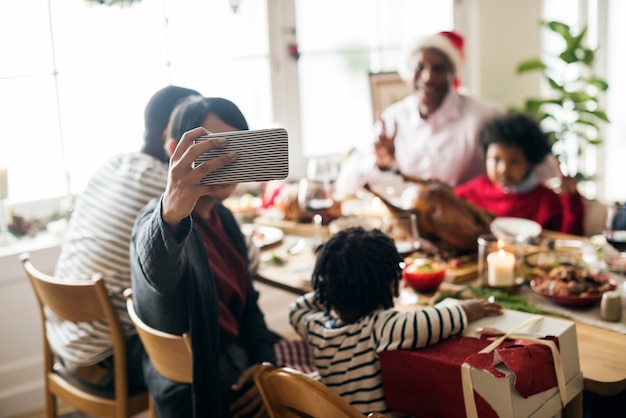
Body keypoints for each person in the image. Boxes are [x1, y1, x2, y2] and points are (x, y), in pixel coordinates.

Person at [130, 96, 278, 418]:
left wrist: (264, 367)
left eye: (237, 148)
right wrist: (171, 211)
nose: (226, 162)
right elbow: (156, 271)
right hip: (200, 390)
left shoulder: (224, 218)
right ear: (175, 152)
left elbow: (248, 305)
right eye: (211, 149)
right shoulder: (158, 221)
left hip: (237, 362)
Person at [50, 85, 201, 389]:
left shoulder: (112, 164)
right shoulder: (169, 187)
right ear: (171, 132)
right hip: (109, 359)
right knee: (209, 350)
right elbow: (239, 257)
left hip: (63, 340)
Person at [289, 227, 503, 417]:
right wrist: (467, 309)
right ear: (390, 283)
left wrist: (334, 288)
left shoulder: (317, 328)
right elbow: (429, 322)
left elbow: (296, 309)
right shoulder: (380, 327)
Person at [334, 30, 560, 199]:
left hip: (466, 223)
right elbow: (345, 185)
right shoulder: (393, 119)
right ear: (406, 73)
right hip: (410, 224)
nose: (428, 77)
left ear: (453, 74)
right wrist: (381, 165)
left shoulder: (484, 115)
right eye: (419, 67)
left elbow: (544, 167)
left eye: (439, 69)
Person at [454, 111, 584, 235]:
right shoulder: (472, 192)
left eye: (514, 161)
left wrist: (571, 201)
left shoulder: (546, 201)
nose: (503, 169)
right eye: (495, 159)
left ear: (530, 162)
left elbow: (568, 242)